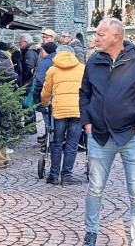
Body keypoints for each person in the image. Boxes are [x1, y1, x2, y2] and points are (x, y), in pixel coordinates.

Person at [79, 18, 135, 246]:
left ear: (116, 36)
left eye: (101, 34)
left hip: (133, 136)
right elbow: (84, 93)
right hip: (99, 135)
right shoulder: (93, 62)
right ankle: (91, 232)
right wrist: (86, 122)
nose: (95, 38)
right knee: (95, 188)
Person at [40, 45, 85, 185]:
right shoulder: (82, 68)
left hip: (59, 111)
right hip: (77, 111)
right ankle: (66, 176)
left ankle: (53, 175)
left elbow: (46, 92)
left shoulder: (52, 70)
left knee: (57, 143)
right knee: (72, 144)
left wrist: (45, 103)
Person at [33, 42, 57, 147]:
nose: (42, 52)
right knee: (55, 120)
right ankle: (54, 142)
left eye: (43, 50)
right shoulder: (58, 61)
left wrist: (37, 94)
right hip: (58, 95)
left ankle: (49, 143)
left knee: (48, 120)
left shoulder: (44, 63)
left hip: (47, 95)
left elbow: (40, 80)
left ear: (46, 51)